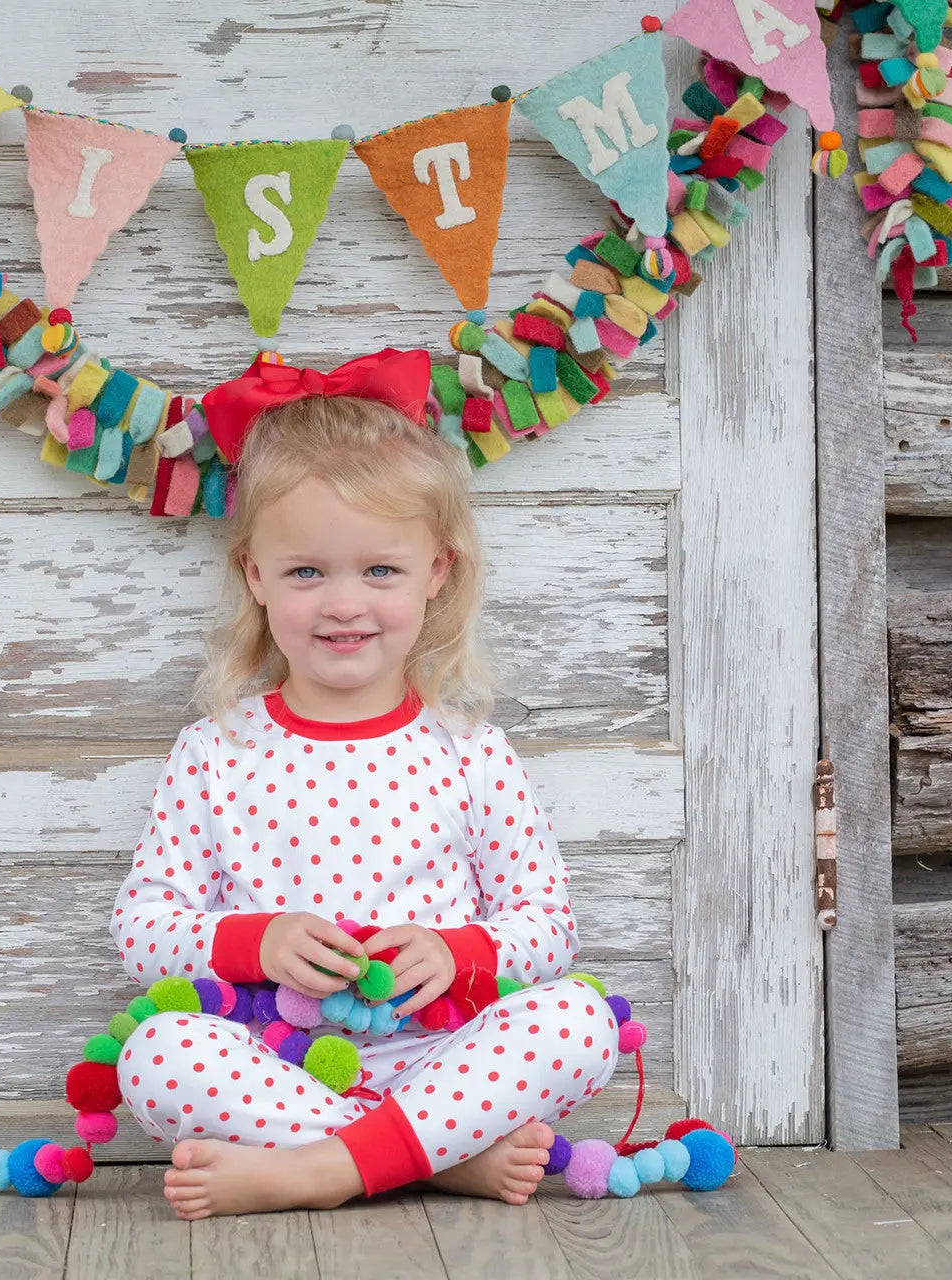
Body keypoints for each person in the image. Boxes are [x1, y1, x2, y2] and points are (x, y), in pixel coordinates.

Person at [109, 349, 620, 1220]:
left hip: (447, 1058)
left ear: (437, 573)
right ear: (255, 577)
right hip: (279, 1060)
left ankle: (319, 1172)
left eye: (379, 570)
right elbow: (142, 928)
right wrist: (256, 941)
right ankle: (431, 1160)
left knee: (577, 1021)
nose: (344, 602)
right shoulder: (218, 750)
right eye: (307, 571)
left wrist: (458, 952)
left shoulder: (468, 749)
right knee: (156, 1053)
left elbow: (548, 926)